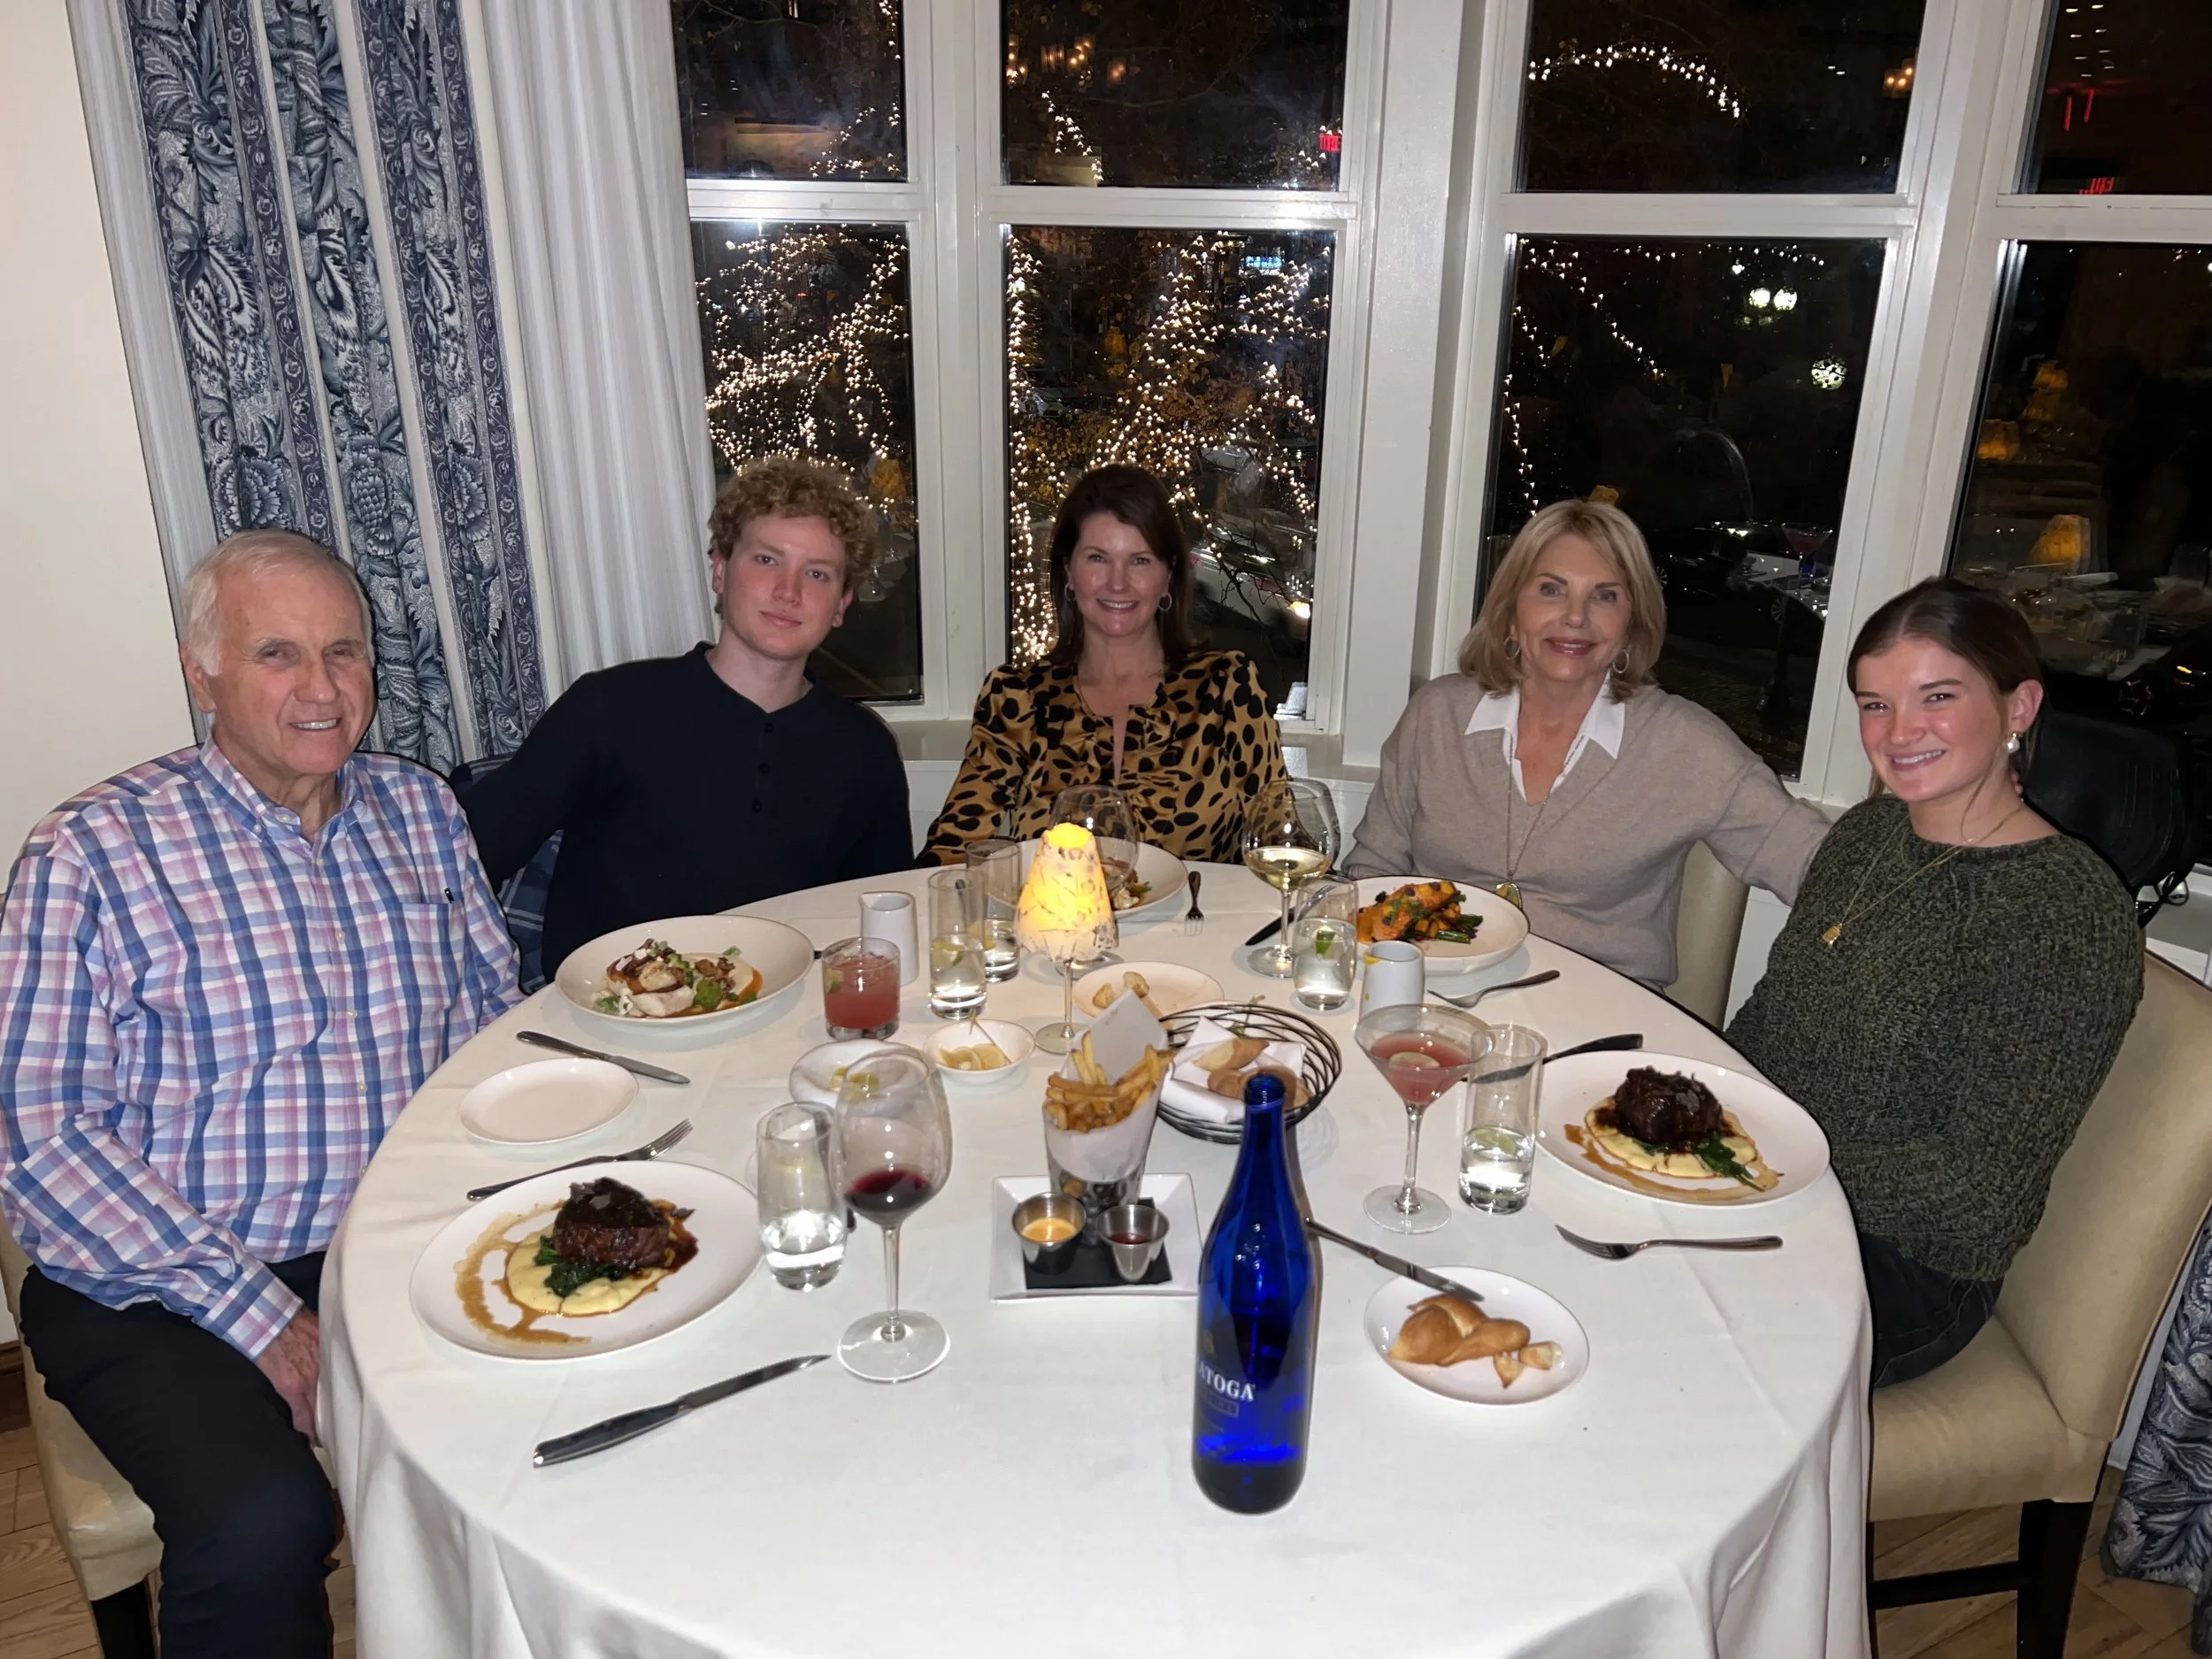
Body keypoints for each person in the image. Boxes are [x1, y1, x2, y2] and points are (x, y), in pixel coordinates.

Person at [0, 532, 519, 1656]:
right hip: (154, 1281)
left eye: (345, 651)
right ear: (203, 675)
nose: (322, 688)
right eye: (277, 654)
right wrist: (264, 1317)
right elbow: (42, 1140)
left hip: (394, 1241)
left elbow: (492, 1030)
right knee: (259, 1524)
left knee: (583, 1422)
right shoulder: (89, 852)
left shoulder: (421, 813)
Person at [1729, 578, 2141, 1387]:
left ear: (2020, 706)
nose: (1900, 731)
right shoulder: (1867, 833)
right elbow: (1769, 1020)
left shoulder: (2062, 911)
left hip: (1905, 1266)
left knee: (1650, 1339)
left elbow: (1975, 1193)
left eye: (1938, 697)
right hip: (1771, 1189)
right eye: (1875, 704)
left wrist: (1757, 1170)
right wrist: (1697, 1118)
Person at [1345, 498, 1827, 987]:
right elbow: (1372, 873)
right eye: (1551, 590)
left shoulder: (1684, 743)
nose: (1575, 616)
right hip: (1429, 1000)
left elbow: (1821, 868)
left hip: (1599, 1017)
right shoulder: (1437, 715)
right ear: (1511, 612)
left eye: (1605, 596)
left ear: (1631, 624)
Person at [462, 457, 911, 974]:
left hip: (790, 1006)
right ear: (720, 570)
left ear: (841, 605)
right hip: (610, 1008)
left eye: (817, 574)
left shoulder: (865, 749)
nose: (789, 592)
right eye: (767, 560)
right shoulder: (609, 708)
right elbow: (461, 859)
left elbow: (879, 927)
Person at [923, 465, 1288, 864]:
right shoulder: (1018, 698)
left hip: (1203, 907)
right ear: (1068, 570)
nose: (1118, 583)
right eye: (1098, 558)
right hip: (1056, 906)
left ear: (1168, 575)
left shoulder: (1226, 687)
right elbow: (953, 848)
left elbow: (1279, 842)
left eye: (1140, 561)